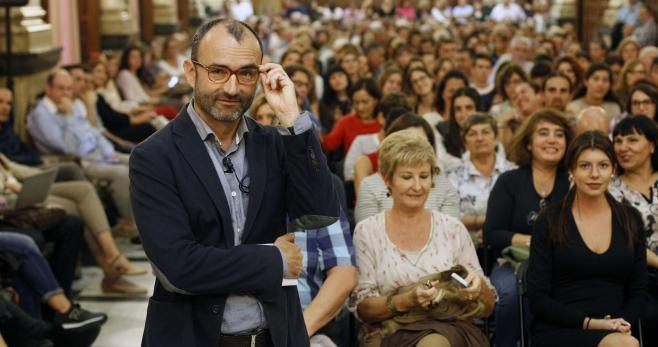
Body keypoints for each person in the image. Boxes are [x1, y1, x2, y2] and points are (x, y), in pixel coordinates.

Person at [129, 18, 340, 347]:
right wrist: (275, 260)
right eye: (218, 71)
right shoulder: (154, 157)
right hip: (194, 337)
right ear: (191, 71)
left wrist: (293, 121)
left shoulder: (273, 143)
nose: (232, 88)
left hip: (274, 335)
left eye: (246, 73)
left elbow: (320, 211)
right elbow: (180, 268)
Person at [348, 130, 495, 347]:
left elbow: (489, 305)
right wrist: (407, 300)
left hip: (449, 327)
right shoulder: (368, 231)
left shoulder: (452, 228)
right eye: (407, 177)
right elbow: (364, 308)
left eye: (424, 176)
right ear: (387, 179)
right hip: (391, 330)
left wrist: (478, 288)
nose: (418, 186)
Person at [527, 131, 647, 347]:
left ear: (613, 170)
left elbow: (638, 290)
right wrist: (592, 324)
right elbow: (538, 299)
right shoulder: (549, 220)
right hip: (561, 327)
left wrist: (617, 323)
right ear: (571, 170)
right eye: (585, 166)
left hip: (616, 327)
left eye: (603, 165)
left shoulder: (631, 219)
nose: (594, 174)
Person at [484, 109, 573, 347]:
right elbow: (492, 234)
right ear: (529, 143)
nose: (552, 140)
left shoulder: (574, 181)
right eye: (543, 133)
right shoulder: (509, 181)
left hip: (562, 265)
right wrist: (531, 241)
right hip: (513, 264)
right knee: (512, 296)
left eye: (559, 134)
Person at [27, 69, 137, 235]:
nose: (65, 93)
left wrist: (109, 152)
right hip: (78, 162)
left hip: (98, 154)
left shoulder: (73, 105)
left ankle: (152, 215)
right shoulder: (41, 115)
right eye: (60, 88)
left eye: (69, 89)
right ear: (48, 89)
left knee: (139, 161)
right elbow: (65, 147)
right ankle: (133, 224)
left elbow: (91, 131)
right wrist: (70, 115)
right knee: (122, 173)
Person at [447, 114, 517, 246]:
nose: (480, 138)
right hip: (463, 245)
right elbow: (449, 218)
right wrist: (490, 222)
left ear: (496, 137)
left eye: (485, 132)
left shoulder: (514, 172)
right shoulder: (452, 176)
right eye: (472, 134)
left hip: (508, 247)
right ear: (465, 142)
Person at [293, 209, 357, 346]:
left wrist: (296, 335)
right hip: (250, 328)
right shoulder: (240, 205)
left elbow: (344, 276)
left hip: (309, 328)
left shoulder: (321, 204)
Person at [609, 116, 658, 269]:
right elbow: (622, 241)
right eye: (618, 141)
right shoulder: (609, 190)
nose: (623, 148)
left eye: (632, 140)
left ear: (652, 146)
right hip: (638, 279)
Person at [322, 78, 381, 158]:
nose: (360, 107)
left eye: (365, 102)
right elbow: (328, 145)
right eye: (356, 102)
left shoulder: (383, 123)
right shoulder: (346, 122)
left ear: (376, 101)